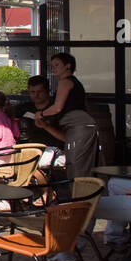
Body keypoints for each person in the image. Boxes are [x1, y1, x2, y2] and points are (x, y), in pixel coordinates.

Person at [39, 52, 97, 180]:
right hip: (77, 127)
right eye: (52, 65)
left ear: (68, 66)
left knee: (77, 164)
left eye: (57, 64)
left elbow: (57, 107)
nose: (53, 68)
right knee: (76, 163)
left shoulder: (65, 82)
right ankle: (79, 193)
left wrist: (41, 114)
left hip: (79, 126)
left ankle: (80, 194)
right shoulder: (71, 83)